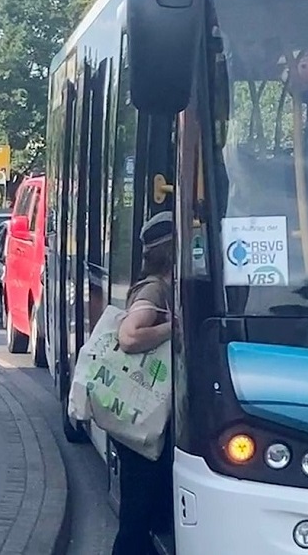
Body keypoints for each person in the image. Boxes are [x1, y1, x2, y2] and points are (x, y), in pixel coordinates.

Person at [112, 210, 175, 555]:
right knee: (137, 517)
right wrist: (174, 328)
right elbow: (130, 336)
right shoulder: (155, 288)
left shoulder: (160, 285)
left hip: (142, 417)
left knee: (144, 512)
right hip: (141, 418)